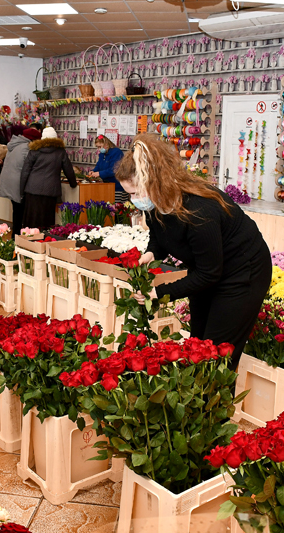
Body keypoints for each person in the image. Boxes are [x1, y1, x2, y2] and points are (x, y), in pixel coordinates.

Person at [116, 134, 272, 366]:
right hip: (208, 270)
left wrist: (158, 293)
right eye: (130, 194)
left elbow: (210, 274)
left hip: (242, 272)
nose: (134, 200)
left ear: (156, 182)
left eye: (136, 193)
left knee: (217, 354)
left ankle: (218, 399)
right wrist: (150, 254)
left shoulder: (199, 211)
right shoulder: (155, 200)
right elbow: (159, 235)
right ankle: (203, 398)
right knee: (198, 344)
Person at [19, 127, 77, 229]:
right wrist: (73, 184)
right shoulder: (60, 152)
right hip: (50, 191)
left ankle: (29, 242)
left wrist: (22, 190)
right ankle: (45, 240)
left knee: (31, 219)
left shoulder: (34, 150)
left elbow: (25, 171)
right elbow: (69, 170)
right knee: (47, 219)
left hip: (32, 190)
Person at [0, 126, 42, 236]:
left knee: (17, 210)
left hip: (9, 181)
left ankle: (15, 235)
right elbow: (28, 168)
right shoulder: (27, 148)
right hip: (18, 183)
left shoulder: (14, 144)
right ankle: (18, 237)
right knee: (21, 211)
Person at [88, 135, 126, 203]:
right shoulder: (102, 154)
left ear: (106, 144)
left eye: (100, 147)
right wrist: (93, 171)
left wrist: (99, 173)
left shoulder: (116, 152)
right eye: (97, 147)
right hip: (106, 186)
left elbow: (114, 170)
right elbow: (99, 165)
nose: (99, 149)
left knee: (117, 209)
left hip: (117, 187)